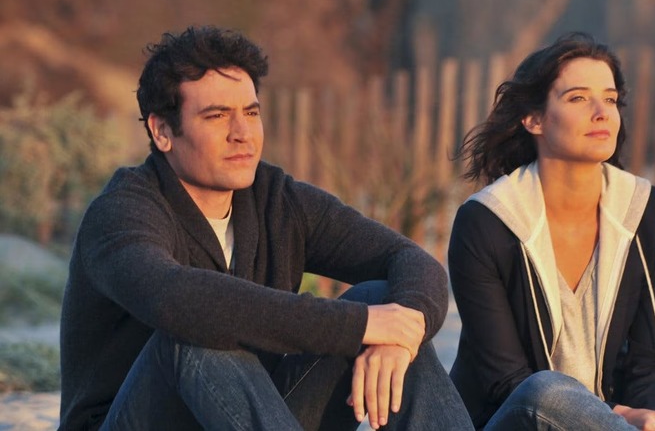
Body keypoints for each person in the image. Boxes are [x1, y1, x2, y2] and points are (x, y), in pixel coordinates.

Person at [59, 26, 472, 431]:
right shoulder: (122, 211)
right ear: (162, 131)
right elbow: (175, 298)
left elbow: (408, 259)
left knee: (387, 300)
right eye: (217, 116)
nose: (242, 133)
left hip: (244, 414)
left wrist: (396, 337)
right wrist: (358, 325)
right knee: (195, 333)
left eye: (251, 113)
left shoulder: (278, 199)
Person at [448, 32, 655, 431]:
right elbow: (505, 382)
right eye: (578, 98)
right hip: (518, 418)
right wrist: (616, 414)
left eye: (610, 98)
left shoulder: (644, 210)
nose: (601, 112)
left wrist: (642, 413)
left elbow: (651, 360)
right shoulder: (486, 221)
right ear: (533, 119)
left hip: (617, 422)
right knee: (547, 393)